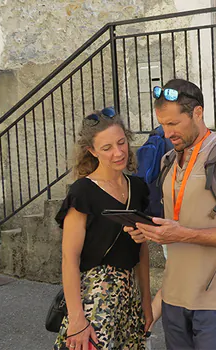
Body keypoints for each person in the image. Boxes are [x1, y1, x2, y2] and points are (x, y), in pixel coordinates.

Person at [125, 78, 216, 350]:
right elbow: (173, 229)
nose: (166, 133)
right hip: (173, 301)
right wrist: (148, 232)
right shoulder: (168, 161)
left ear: (197, 113)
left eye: (174, 124)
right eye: (162, 124)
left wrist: (184, 234)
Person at [54, 107, 152, 350]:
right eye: (107, 148)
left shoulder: (138, 188)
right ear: (92, 151)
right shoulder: (83, 192)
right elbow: (69, 258)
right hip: (94, 299)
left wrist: (146, 303)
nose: (118, 153)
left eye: (121, 143)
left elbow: (141, 252)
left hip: (128, 300)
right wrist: (77, 316)